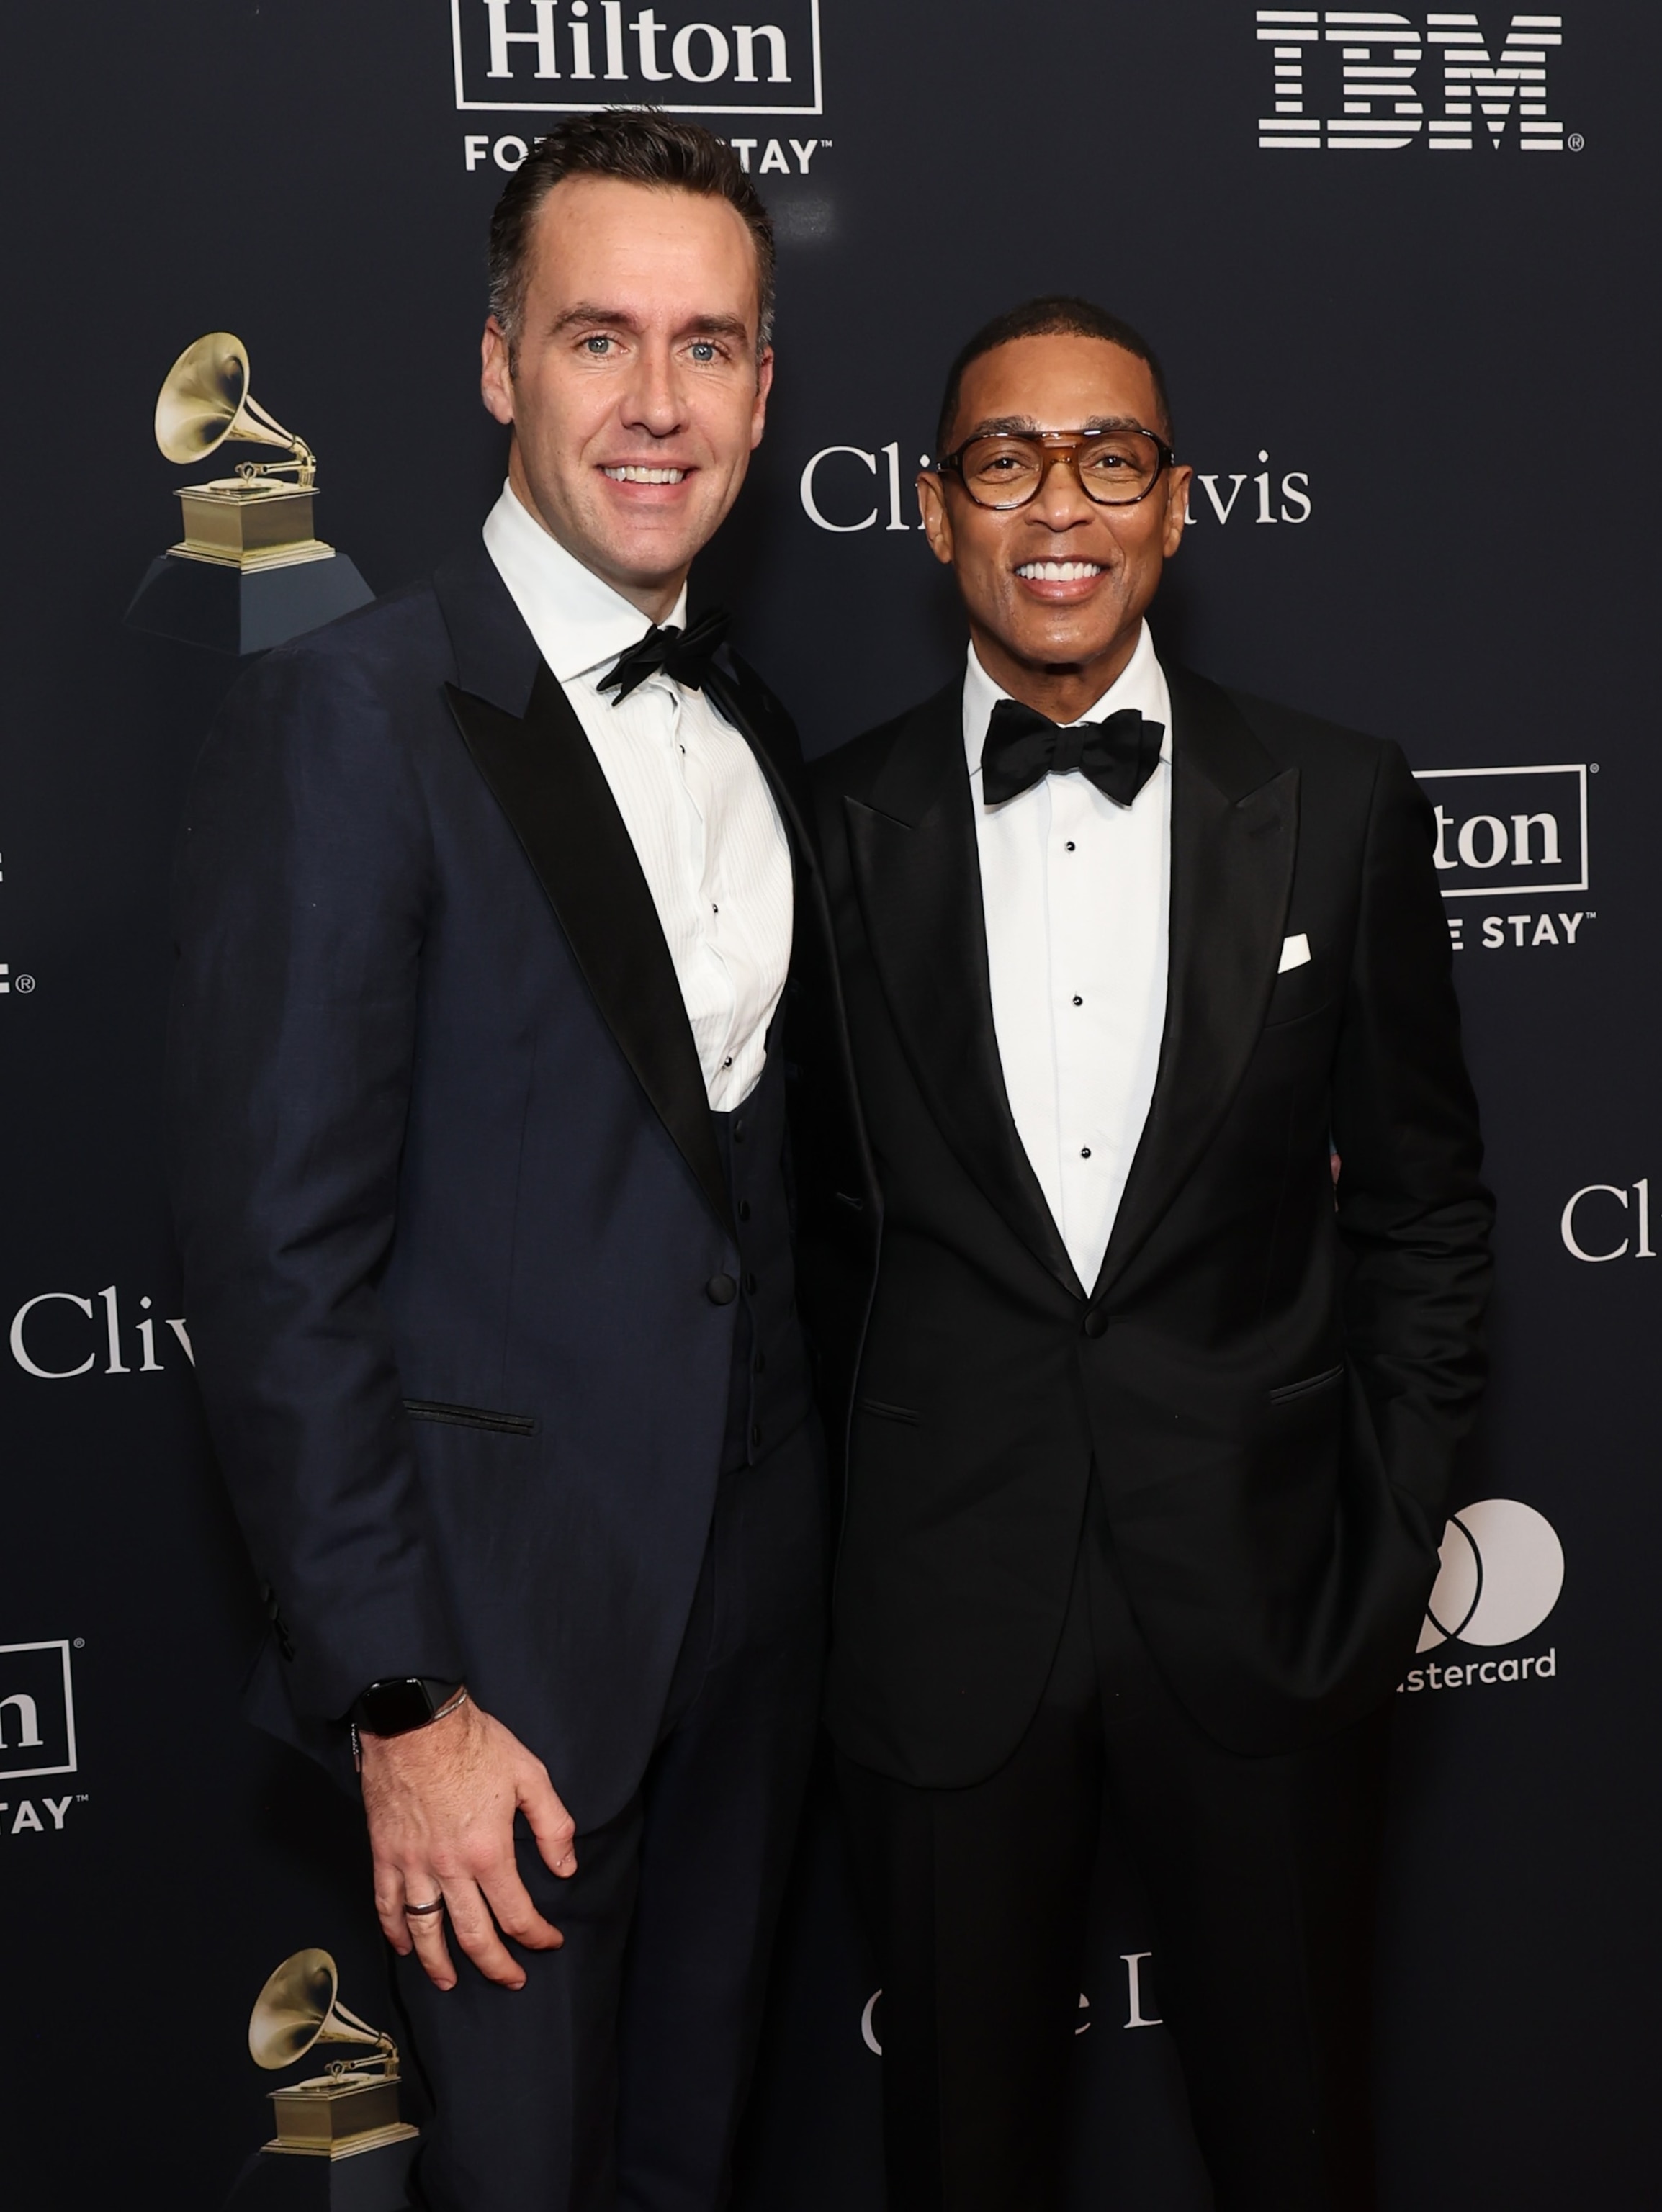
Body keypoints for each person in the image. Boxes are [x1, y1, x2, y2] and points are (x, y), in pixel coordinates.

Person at [169, 112, 852, 2212]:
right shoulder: (358, 713)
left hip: (753, 1628)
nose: (656, 402)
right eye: (596, 339)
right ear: (497, 367)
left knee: (686, 2163)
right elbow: (273, 1257)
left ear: (759, 386)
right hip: (500, 1676)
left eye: (709, 346)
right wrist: (402, 1700)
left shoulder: (758, 728)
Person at [807, 297, 1494, 2211]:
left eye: (1110, 458)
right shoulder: (823, 824)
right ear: (935, 511)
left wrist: (1378, 1535)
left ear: (1175, 506)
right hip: (943, 1622)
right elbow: (788, 1248)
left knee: (1296, 2149)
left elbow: (1426, 1209)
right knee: (960, 2157)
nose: (1061, 503)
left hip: (1266, 1607)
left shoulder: (1340, 802)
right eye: (1005, 459)